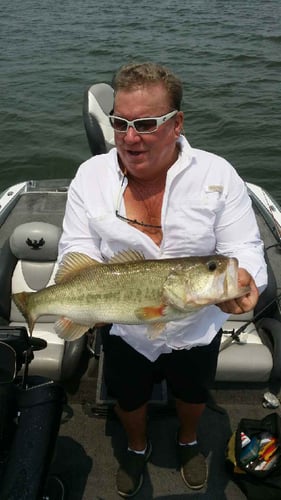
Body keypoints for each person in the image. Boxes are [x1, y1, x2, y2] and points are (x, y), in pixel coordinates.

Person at [58, 62, 267, 497]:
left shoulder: (218, 175)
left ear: (177, 124)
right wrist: (87, 305)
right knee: (128, 398)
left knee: (193, 391)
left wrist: (246, 279)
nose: (130, 137)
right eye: (120, 123)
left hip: (196, 326)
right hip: (125, 327)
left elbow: (244, 245)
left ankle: (188, 439)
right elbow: (75, 248)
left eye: (146, 124)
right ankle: (135, 447)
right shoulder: (89, 178)